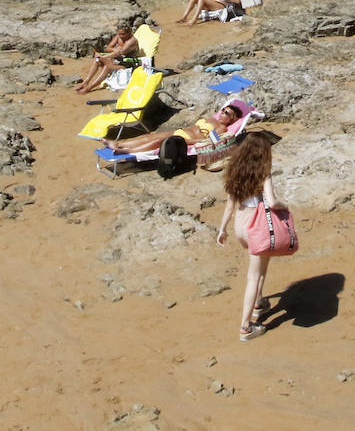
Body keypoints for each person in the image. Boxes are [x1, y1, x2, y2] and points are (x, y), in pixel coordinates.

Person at [216, 130, 288, 342]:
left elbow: (230, 204)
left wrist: (222, 229)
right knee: (254, 275)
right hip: (258, 226)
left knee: (259, 266)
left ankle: (259, 302)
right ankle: (246, 326)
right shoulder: (264, 172)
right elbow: (272, 202)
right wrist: (285, 207)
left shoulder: (234, 170)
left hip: (241, 224)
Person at [105, 100, 244, 155]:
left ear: (232, 119)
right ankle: (118, 143)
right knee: (150, 136)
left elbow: (209, 141)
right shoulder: (212, 119)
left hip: (186, 139)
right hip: (180, 132)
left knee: (157, 143)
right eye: (223, 110)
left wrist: (187, 142)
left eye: (226, 113)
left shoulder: (222, 129)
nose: (222, 113)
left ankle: (127, 151)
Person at [76, 24, 142, 94]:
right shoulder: (118, 37)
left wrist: (104, 57)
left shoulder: (131, 41)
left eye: (123, 34)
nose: (121, 36)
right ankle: (86, 82)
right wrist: (115, 50)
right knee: (97, 60)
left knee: (108, 66)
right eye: (119, 34)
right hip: (118, 60)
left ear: (129, 32)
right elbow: (108, 48)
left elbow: (119, 53)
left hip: (128, 64)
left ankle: (90, 87)